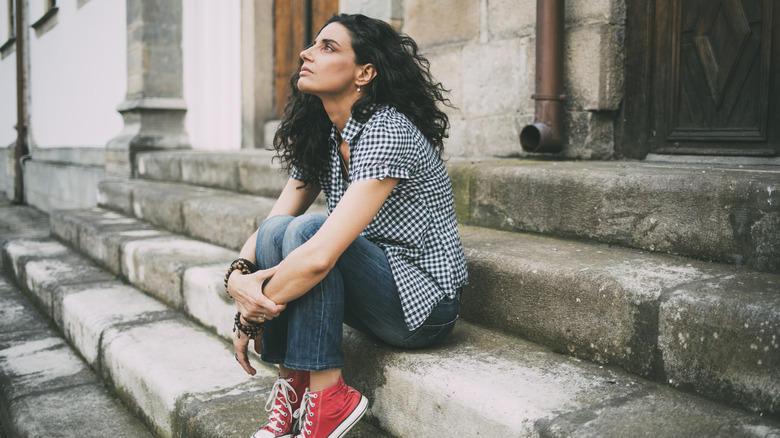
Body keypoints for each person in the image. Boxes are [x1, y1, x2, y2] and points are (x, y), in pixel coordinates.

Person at [225, 13, 468, 438]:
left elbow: (320, 257)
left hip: (422, 305)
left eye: (327, 47)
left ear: (364, 73)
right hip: (373, 287)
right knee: (282, 230)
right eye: (313, 45)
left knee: (308, 235)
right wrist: (237, 278)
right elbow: (270, 228)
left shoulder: (387, 130)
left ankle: (330, 399)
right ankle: (296, 385)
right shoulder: (326, 135)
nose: (306, 53)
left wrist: (253, 313)